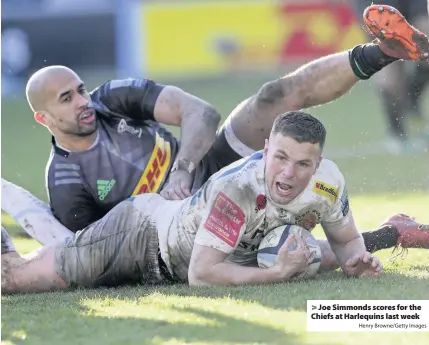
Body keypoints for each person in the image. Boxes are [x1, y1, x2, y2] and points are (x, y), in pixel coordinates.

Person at [18, 4, 429, 245]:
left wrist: (182, 170)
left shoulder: (111, 98)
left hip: (207, 166)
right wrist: (169, 211)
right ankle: (393, 234)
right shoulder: (67, 183)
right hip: (187, 229)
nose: (83, 102)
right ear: (43, 119)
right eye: (67, 100)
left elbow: (201, 113)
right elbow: (101, 252)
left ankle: (384, 51)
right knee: (285, 251)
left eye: (80, 90)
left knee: (272, 96)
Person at [2, 111, 429, 294]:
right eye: (279, 158)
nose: (287, 174)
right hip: (141, 235)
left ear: (318, 164)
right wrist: (278, 275)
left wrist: (358, 260)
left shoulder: (328, 184)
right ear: (265, 149)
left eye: (302, 164)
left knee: (294, 249)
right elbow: (203, 275)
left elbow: (345, 247)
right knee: (14, 280)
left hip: (237, 248)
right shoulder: (238, 188)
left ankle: (393, 230)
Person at [349, 2, 429, 152]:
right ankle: (397, 132)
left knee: (426, 41)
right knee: (391, 75)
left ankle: (412, 98)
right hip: (375, 4)